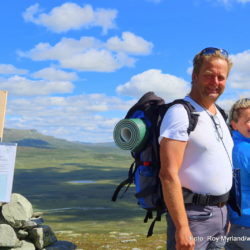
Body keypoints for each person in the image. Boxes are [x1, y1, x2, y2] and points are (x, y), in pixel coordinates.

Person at [159, 47, 234, 250]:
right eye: (209, 75)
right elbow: (167, 174)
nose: (215, 82)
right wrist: (182, 227)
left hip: (220, 214)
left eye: (221, 77)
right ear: (194, 76)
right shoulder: (180, 113)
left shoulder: (219, 114)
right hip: (193, 218)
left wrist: (223, 212)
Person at [225, 98, 250, 250]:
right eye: (248, 120)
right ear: (234, 125)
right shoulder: (245, 150)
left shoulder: (229, 147)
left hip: (233, 224)